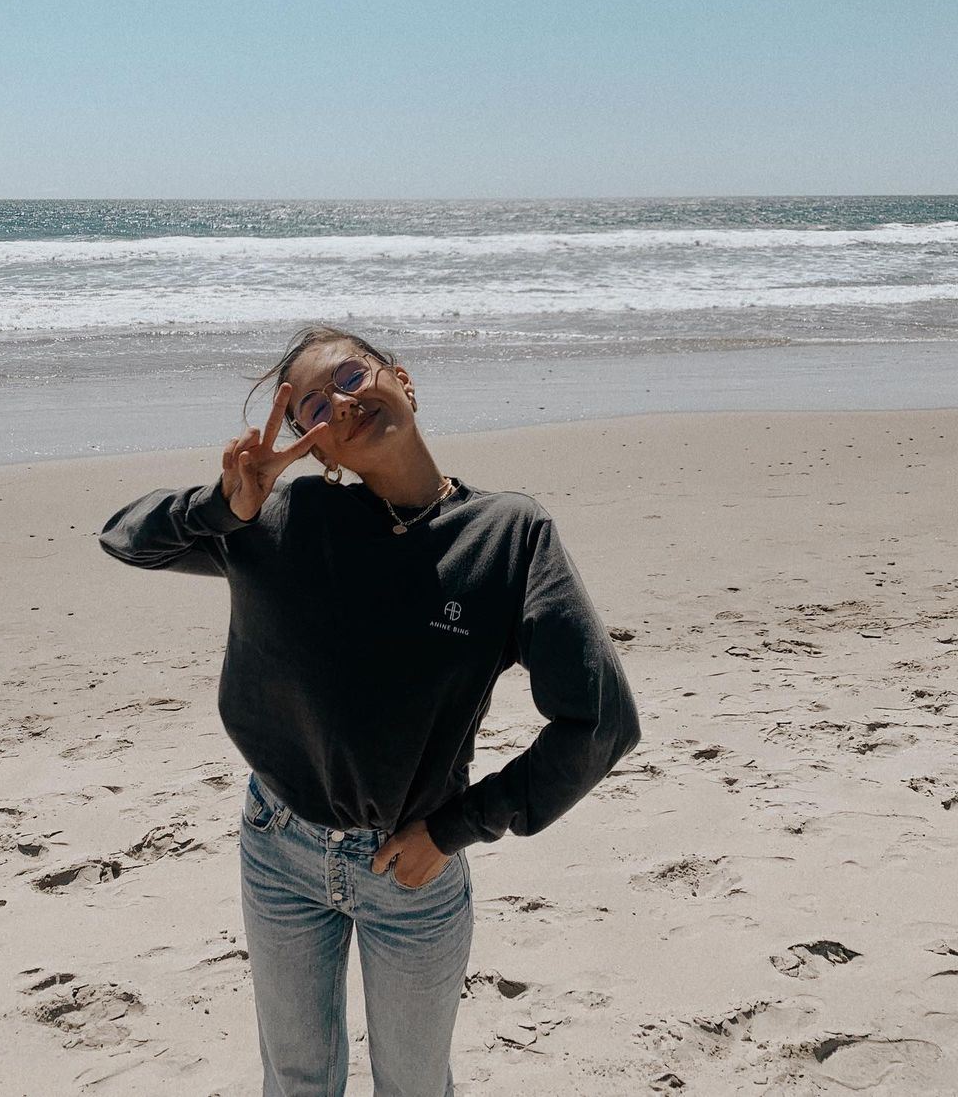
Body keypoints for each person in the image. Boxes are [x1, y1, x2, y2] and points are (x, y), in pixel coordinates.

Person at [99, 324, 641, 1097]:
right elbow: (125, 537)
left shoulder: (507, 536)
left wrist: (460, 826)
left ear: (402, 379)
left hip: (412, 869)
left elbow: (601, 719)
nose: (342, 404)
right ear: (318, 451)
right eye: (314, 409)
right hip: (279, 847)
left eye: (352, 377)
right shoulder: (280, 520)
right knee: (297, 1080)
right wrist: (223, 505)